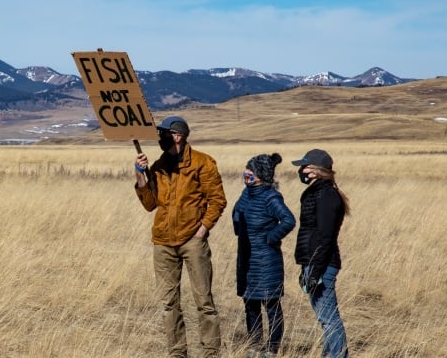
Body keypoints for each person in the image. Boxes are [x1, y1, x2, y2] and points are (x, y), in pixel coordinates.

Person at [134, 116, 227, 358]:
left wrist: (203, 229)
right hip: (163, 241)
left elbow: (217, 200)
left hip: (192, 241)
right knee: (168, 303)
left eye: (165, 134)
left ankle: (210, 352)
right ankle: (177, 352)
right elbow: (149, 204)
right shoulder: (159, 165)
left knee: (204, 301)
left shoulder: (202, 163)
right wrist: (141, 176)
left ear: (178, 135)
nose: (160, 138)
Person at [232, 153, 296, 358]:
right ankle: (253, 345)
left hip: (267, 259)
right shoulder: (246, 193)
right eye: (247, 169)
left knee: (271, 305)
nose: (247, 173)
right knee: (250, 304)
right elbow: (236, 213)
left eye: (250, 170)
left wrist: (271, 238)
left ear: (260, 174)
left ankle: (272, 348)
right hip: (247, 259)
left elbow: (288, 220)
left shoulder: (271, 197)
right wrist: (239, 230)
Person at [292, 149, 350, 358]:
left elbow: (324, 236)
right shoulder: (318, 192)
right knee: (324, 317)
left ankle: (337, 355)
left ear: (316, 170)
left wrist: (315, 269)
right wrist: (306, 268)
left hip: (323, 264)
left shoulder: (326, 195)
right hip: (315, 262)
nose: (301, 170)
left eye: (305, 166)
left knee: (329, 317)